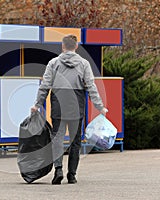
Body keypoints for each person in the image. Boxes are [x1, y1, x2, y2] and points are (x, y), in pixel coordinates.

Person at [31, 34, 108, 185]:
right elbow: (91, 86)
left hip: (58, 103)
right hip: (76, 104)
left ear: (63, 46)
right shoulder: (84, 64)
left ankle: (58, 170)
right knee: (75, 141)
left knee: (58, 138)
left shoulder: (53, 63)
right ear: (76, 46)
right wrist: (100, 107)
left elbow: (45, 86)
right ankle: (72, 175)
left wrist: (37, 105)